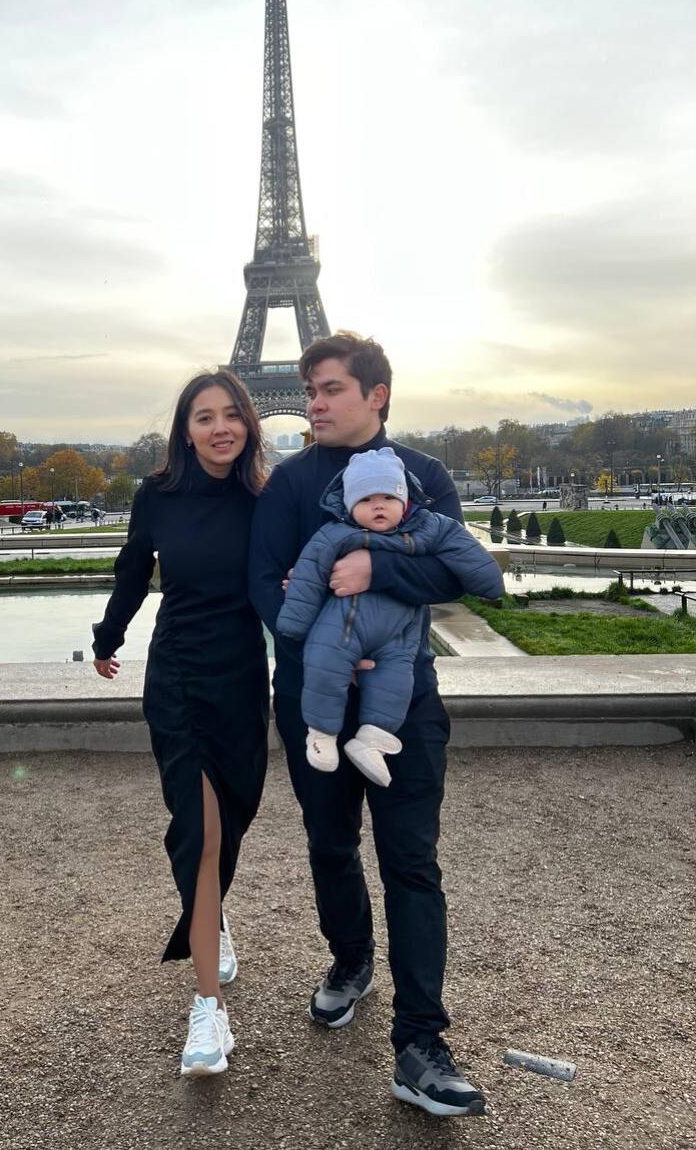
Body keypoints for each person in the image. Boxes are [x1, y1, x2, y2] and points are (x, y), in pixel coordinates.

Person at [249, 331, 487, 1119]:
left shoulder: (426, 476)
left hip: (403, 700)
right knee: (330, 846)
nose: (312, 402)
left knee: (412, 865)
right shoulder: (288, 483)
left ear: (376, 394)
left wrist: (376, 568)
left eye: (329, 389)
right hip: (319, 697)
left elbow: (458, 571)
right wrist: (331, 646)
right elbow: (268, 586)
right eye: (309, 390)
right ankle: (352, 959)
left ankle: (421, 1043)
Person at [92, 370, 269, 1078]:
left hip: (240, 683)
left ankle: (213, 917)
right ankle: (208, 1010)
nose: (220, 426)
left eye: (232, 414)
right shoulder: (157, 495)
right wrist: (107, 636)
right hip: (176, 679)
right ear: (185, 428)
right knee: (201, 833)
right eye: (204, 416)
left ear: (250, 423)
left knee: (232, 819)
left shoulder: (266, 498)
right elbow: (134, 572)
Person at [277, 447, 504, 786]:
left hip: (397, 639)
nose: (378, 505)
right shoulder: (336, 533)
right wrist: (294, 624)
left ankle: (371, 740)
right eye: (367, 499)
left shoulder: (429, 526)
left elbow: (463, 551)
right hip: (342, 629)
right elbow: (309, 574)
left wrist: (489, 583)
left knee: (395, 684)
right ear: (350, 505)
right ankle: (322, 735)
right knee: (325, 667)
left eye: (387, 497)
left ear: (405, 499)